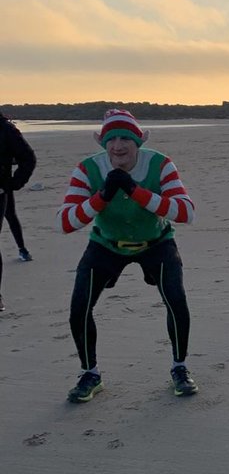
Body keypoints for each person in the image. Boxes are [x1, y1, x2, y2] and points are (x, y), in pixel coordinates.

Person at [59, 109, 197, 402]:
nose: (118, 146)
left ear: (138, 142)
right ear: (103, 143)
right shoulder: (87, 169)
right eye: (111, 139)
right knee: (79, 307)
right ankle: (89, 374)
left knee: (176, 300)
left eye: (126, 138)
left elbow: (186, 212)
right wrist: (103, 195)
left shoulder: (160, 165)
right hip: (106, 244)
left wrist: (135, 190)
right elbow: (66, 222)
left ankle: (180, 368)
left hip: (156, 242)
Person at [0, 111, 37, 313]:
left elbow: (28, 158)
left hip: (1, 191)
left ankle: (22, 249)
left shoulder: (5, 129)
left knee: (11, 216)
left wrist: (13, 183)